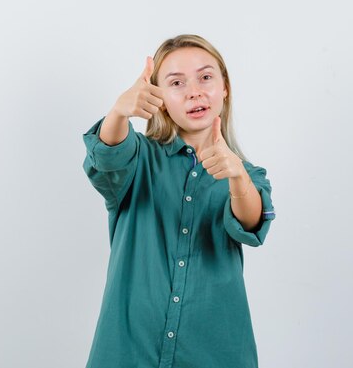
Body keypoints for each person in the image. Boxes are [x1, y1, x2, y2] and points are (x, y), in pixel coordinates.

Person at [82, 34, 276, 368]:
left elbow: (251, 222)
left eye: (205, 77)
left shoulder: (247, 174)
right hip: (128, 350)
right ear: (158, 97)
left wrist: (237, 177)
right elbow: (107, 157)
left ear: (224, 87)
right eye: (176, 82)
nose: (194, 91)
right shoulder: (139, 159)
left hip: (215, 353)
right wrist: (119, 112)